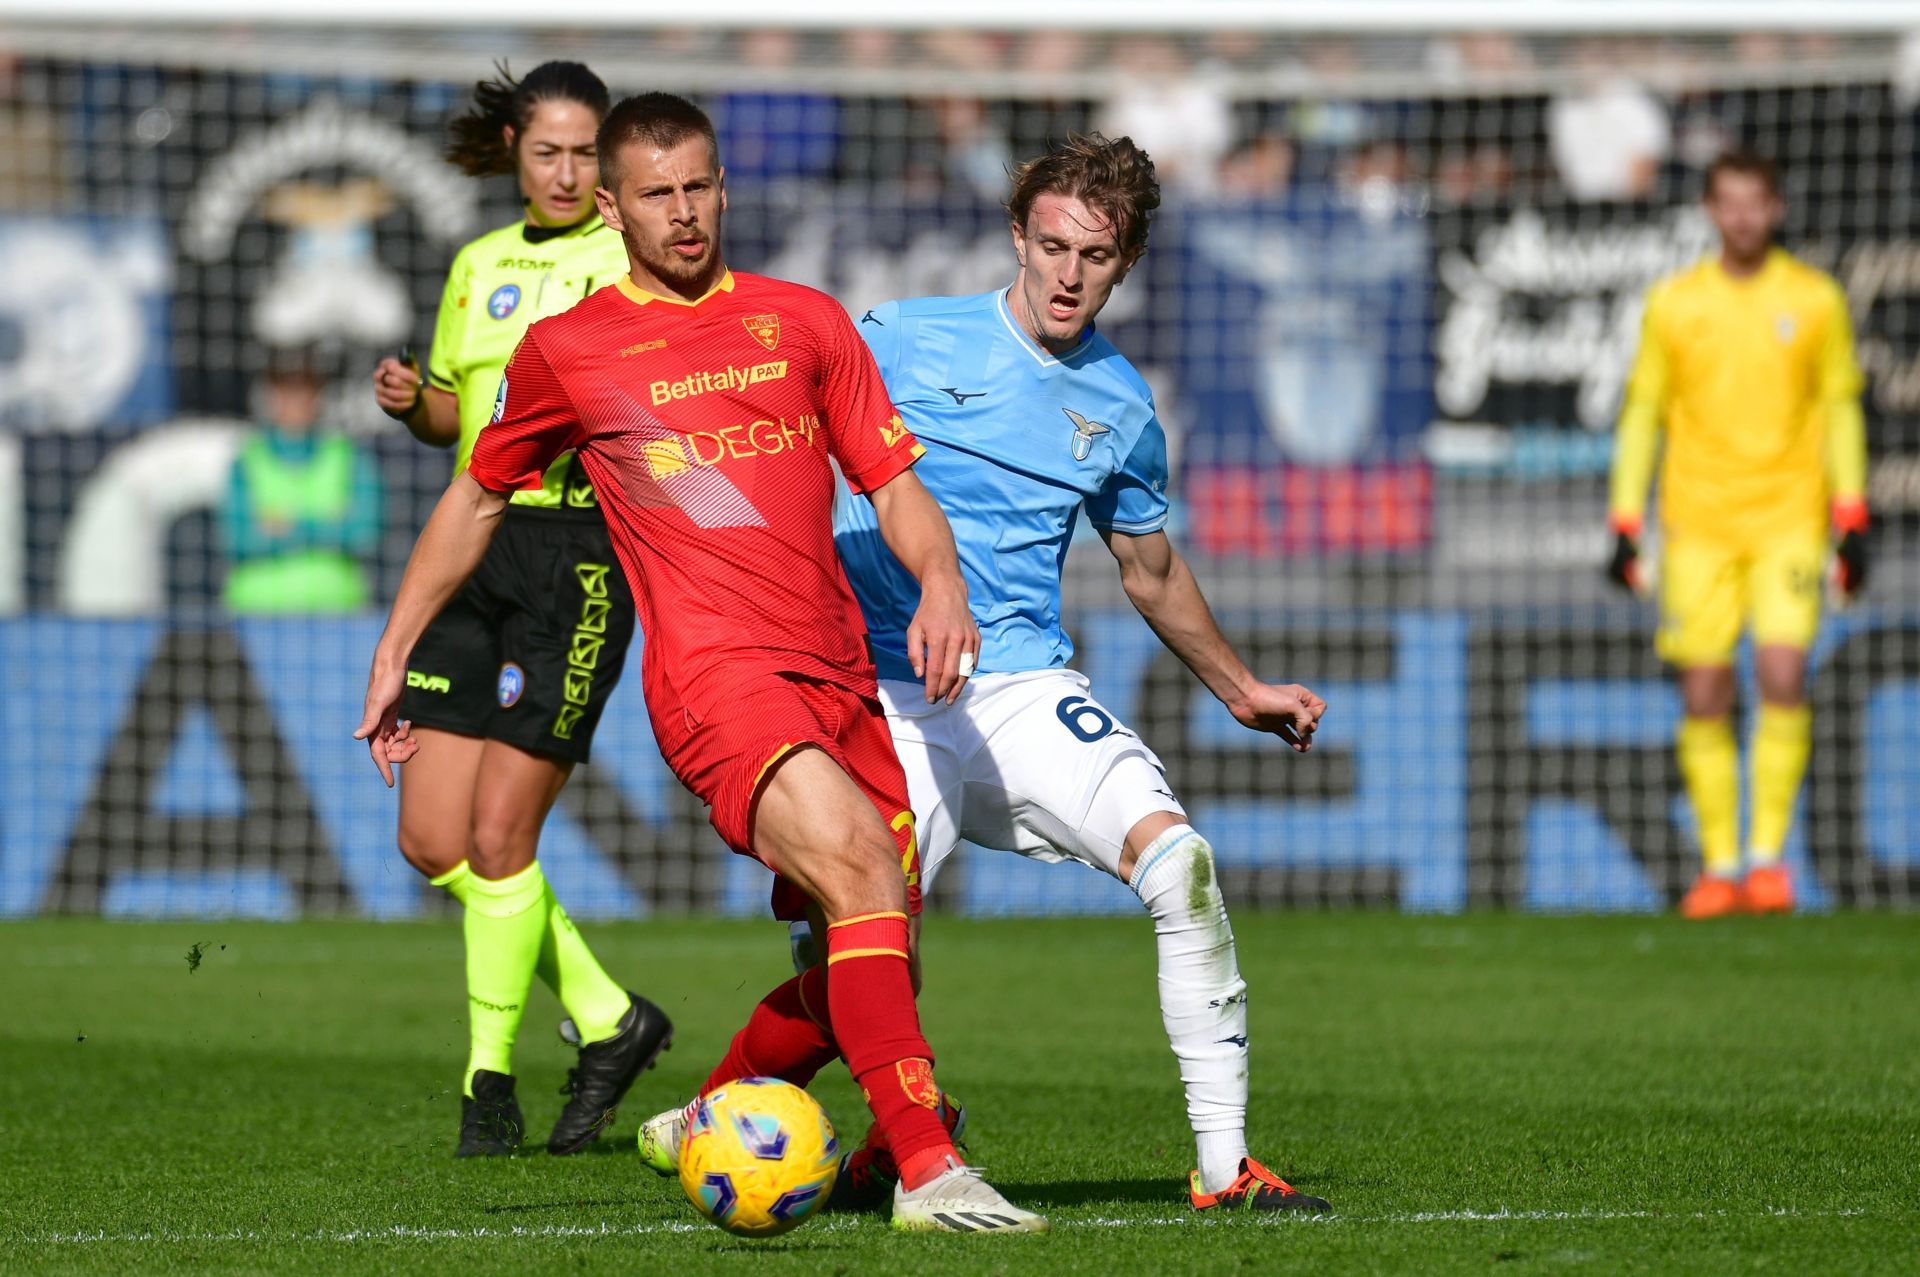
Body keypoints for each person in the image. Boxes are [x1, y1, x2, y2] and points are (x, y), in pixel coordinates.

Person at [356, 91, 1046, 1235]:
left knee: (866, 956)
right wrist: (394, 649)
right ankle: (929, 1165)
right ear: (615, 211)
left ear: (725, 187)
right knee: (865, 873)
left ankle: (712, 1109)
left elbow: (894, 484)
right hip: (715, 682)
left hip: (837, 675)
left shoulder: (804, 322)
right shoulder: (570, 351)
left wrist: (942, 580)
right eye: (658, 194)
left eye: (700, 187)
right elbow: (477, 494)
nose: (684, 214)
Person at [640, 134, 1333, 1216]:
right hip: (876, 687)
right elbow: (771, 441)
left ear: (1126, 261)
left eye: (1094, 256)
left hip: (1016, 686)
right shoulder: (904, 338)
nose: (1068, 273)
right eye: (1050, 245)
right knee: (865, 965)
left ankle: (1223, 1164)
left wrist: (1239, 688)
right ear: (1017, 237)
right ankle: (726, 1108)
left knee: (1182, 864)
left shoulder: (1121, 406)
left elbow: (1147, 569)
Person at [367, 61, 667, 1159]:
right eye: (548, 151)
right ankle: (607, 1011)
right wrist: (416, 403)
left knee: (499, 836)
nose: (568, 170)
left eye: (588, 151)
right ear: (512, 153)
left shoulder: (632, 258)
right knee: (430, 835)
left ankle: (486, 1081)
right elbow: (457, 416)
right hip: (478, 536)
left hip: (581, 549)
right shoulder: (478, 265)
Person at [1606, 150, 1868, 919]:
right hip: (1698, 527)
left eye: (1757, 201)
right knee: (1706, 690)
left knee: (1784, 674)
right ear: (1711, 210)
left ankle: (1766, 860)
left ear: (1776, 207)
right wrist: (1626, 519)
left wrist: (1849, 511)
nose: (1744, 215)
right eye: (1730, 202)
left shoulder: (1815, 297)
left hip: (1789, 518)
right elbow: (1643, 411)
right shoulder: (1675, 302)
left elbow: (1841, 405)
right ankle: (1719, 864)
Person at [221, 346, 382, 614]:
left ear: (317, 395)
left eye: (303, 389)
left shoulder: (348, 455)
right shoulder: (246, 460)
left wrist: (288, 526)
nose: (294, 400)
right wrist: (327, 525)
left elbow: (365, 533)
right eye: (284, 389)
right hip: (256, 614)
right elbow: (237, 540)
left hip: (336, 614)